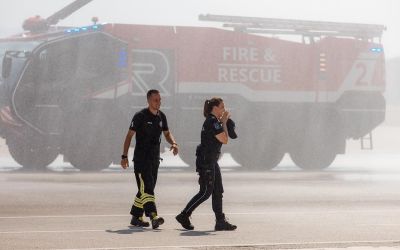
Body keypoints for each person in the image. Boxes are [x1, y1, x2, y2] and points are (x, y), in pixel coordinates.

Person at [176, 97, 237, 231]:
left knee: (217, 191)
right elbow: (225, 139)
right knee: (205, 192)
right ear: (215, 108)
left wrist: (223, 122)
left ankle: (220, 221)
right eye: (222, 107)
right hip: (206, 161)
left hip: (211, 161)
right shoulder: (212, 122)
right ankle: (184, 215)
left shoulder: (215, 121)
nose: (224, 110)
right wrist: (224, 122)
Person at [121, 89, 179, 229]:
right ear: (148, 101)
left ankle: (136, 217)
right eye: (155, 100)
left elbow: (167, 132)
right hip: (141, 160)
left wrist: (174, 143)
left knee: (146, 188)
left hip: (154, 160)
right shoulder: (140, 116)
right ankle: (154, 216)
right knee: (147, 189)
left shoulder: (161, 116)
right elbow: (129, 136)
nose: (158, 102)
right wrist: (124, 156)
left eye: (159, 100)